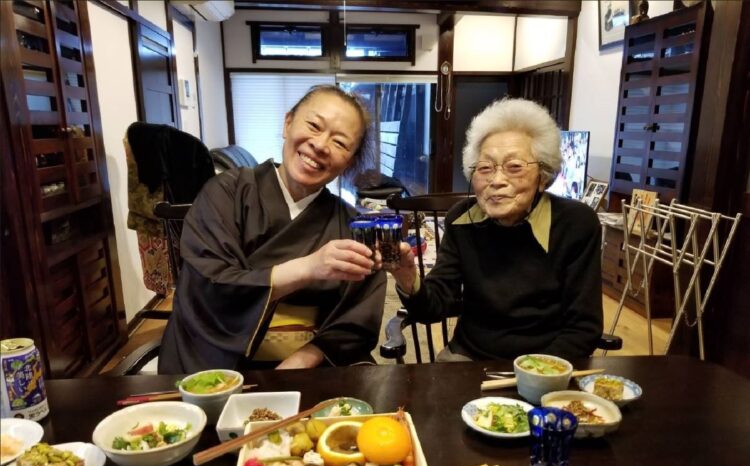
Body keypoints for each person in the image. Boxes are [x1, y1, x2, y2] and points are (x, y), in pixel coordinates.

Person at [158, 85, 387, 373]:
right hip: (218, 366)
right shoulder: (226, 193)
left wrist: (305, 358)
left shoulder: (351, 223)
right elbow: (208, 285)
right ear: (288, 123)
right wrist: (309, 267)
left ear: (349, 162)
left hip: (309, 371)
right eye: (314, 126)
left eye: (340, 143)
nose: (320, 145)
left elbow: (358, 317)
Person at [390, 98, 603, 362]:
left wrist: (533, 375)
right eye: (485, 168)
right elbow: (435, 305)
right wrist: (408, 279)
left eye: (514, 167)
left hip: (547, 364)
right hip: (469, 358)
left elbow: (584, 327)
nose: (497, 181)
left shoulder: (576, 223)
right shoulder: (462, 220)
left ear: (543, 176)